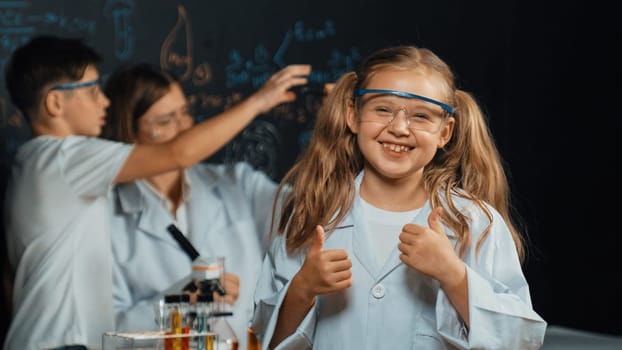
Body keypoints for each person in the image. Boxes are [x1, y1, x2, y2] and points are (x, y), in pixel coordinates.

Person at [2, 35, 310, 350]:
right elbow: (179, 153)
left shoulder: (37, 168)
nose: (103, 103)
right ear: (55, 103)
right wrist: (260, 101)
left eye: (185, 113)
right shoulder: (63, 159)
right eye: (92, 91)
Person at [251, 45, 547, 349]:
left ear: (445, 133)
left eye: (421, 116)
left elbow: (518, 341)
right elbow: (265, 339)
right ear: (353, 115)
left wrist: (453, 274)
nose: (400, 128)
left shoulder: (474, 221)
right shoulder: (312, 214)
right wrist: (302, 289)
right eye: (383, 109)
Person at [101, 63, 278, 350]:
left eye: (184, 113)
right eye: (166, 120)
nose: (186, 128)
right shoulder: (106, 218)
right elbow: (108, 333)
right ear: (128, 132)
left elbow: (311, 209)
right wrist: (177, 302)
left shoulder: (237, 183)